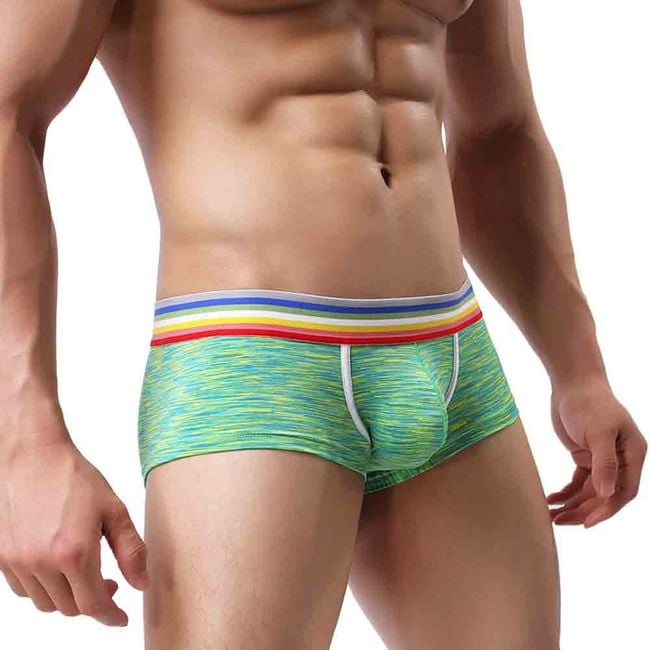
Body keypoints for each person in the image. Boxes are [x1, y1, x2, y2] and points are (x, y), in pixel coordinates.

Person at [0, 0, 646, 648]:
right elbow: (8, 111)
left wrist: (579, 367)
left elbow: (499, 132)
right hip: (256, 356)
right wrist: (24, 443)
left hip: (451, 352)